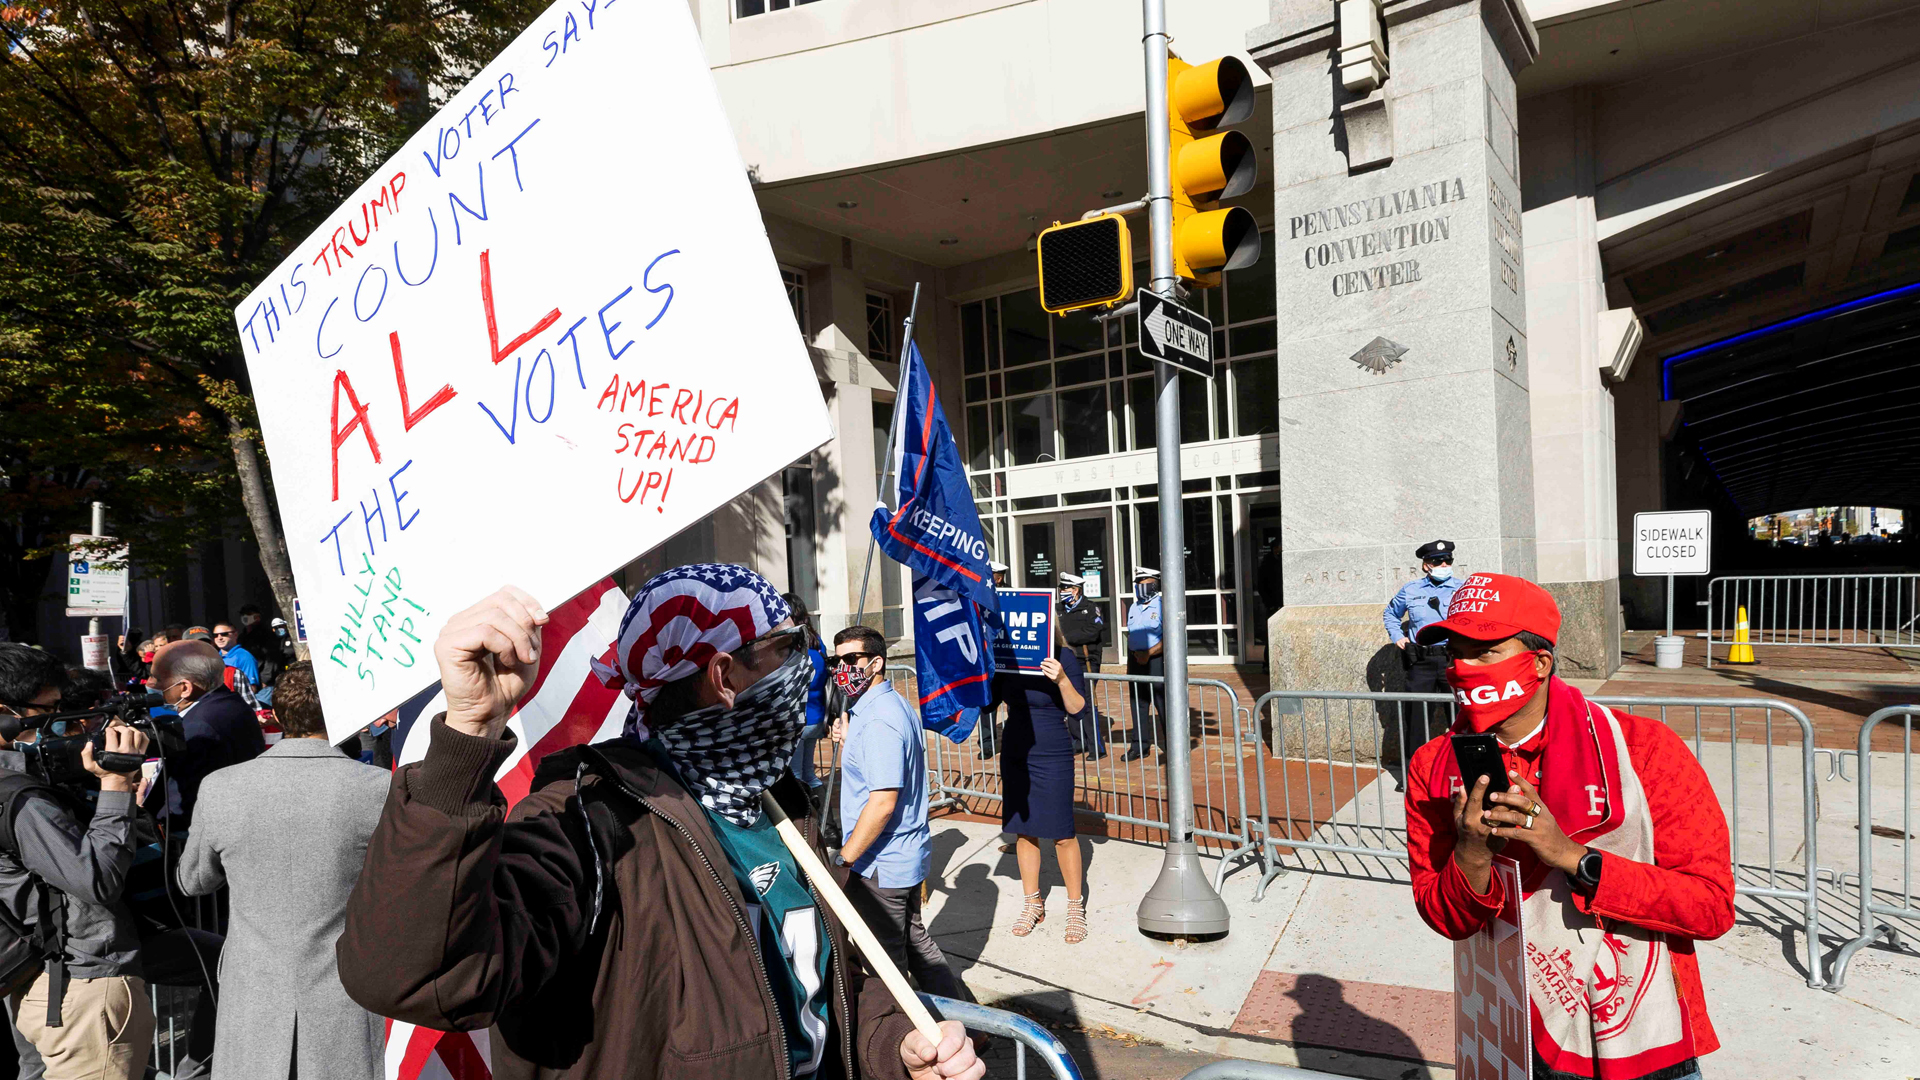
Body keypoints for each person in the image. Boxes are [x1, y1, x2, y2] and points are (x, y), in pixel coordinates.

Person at [337, 568, 981, 1080]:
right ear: (724, 677)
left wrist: (894, 1045)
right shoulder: (586, 824)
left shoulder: (781, 806)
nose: (803, 666)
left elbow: (822, 988)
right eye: (784, 649)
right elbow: (414, 972)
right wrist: (467, 734)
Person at [1404, 574, 1734, 1080]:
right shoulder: (1432, 765)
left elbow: (1710, 907)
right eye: (1456, 652)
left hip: (1645, 1036)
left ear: (1539, 662)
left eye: (1486, 652)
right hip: (1513, 1033)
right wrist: (1472, 852)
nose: (1462, 669)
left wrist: (1574, 858)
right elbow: (1444, 916)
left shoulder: (1645, 749)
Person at [178, 661, 388, 1080]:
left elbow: (194, 880)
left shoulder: (221, 786)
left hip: (253, 986)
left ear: (275, 716)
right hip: (346, 985)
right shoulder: (378, 787)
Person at [0, 643, 154, 1080]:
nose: (55, 722)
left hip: (35, 972)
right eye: (46, 710)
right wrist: (118, 785)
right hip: (79, 984)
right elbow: (97, 879)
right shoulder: (19, 798)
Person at [826, 626, 970, 1002]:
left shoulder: (878, 720)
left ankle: (910, 1040)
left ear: (876, 663)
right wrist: (850, 737)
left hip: (881, 864)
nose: (843, 668)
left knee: (886, 967)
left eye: (851, 659)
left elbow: (883, 801)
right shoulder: (884, 707)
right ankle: (972, 1027)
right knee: (917, 944)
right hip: (901, 857)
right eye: (836, 660)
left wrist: (845, 858)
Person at [989, 650, 1089, 944]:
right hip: (1016, 751)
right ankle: (1033, 902)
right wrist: (980, 669)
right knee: (1025, 829)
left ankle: (1075, 907)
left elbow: (1079, 708)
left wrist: (1060, 679)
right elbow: (987, 703)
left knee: (1062, 832)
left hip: (1053, 752)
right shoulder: (1005, 655)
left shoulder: (1064, 657)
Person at [144, 641, 267, 830]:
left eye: (156, 678)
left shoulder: (198, 727)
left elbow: (182, 805)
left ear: (185, 688)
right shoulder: (231, 702)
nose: (149, 683)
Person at [1382, 540, 1461, 694]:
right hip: (1420, 661)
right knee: (1417, 713)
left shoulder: (1463, 588)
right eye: (1438, 561)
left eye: (1448, 560)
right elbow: (1390, 613)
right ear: (1426, 566)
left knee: (1458, 713)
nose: (1444, 565)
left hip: (1453, 659)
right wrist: (1397, 636)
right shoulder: (1411, 589)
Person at [1054, 575, 1106, 758]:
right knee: (1069, 700)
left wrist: (1066, 638)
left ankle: (1096, 746)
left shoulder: (1091, 608)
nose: (1062, 592)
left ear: (1076, 590)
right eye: (1061, 589)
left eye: (1065, 589)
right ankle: (1078, 741)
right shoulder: (1058, 609)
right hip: (1065, 660)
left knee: (1087, 703)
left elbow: (1093, 631)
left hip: (1086, 661)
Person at [784, 592, 830, 789]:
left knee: (796, 776)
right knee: (809, 774)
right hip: (817, 717)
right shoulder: (816, 641)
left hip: (797, 720)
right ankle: (822, 816)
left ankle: (808, 817)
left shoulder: (790, 645)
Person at [1122, 567, 1163, 763]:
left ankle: (1172, 746)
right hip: (1135, 660)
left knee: (1162, 703)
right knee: (1138, 703)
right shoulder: (1134, 607)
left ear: (1154, 583)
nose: (1139, 586)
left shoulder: (1164, 605)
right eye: (1137, 583)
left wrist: (1149, 653)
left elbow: (1171, 636)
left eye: (1143, 582)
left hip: (1156, 660)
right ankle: (1139, 746)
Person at [210, 623, 261, 701]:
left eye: (224, 634)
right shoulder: (214, 657)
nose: (219, 638)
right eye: (215, 635)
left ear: (235, 635)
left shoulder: (245, 657)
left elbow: (252, 688)